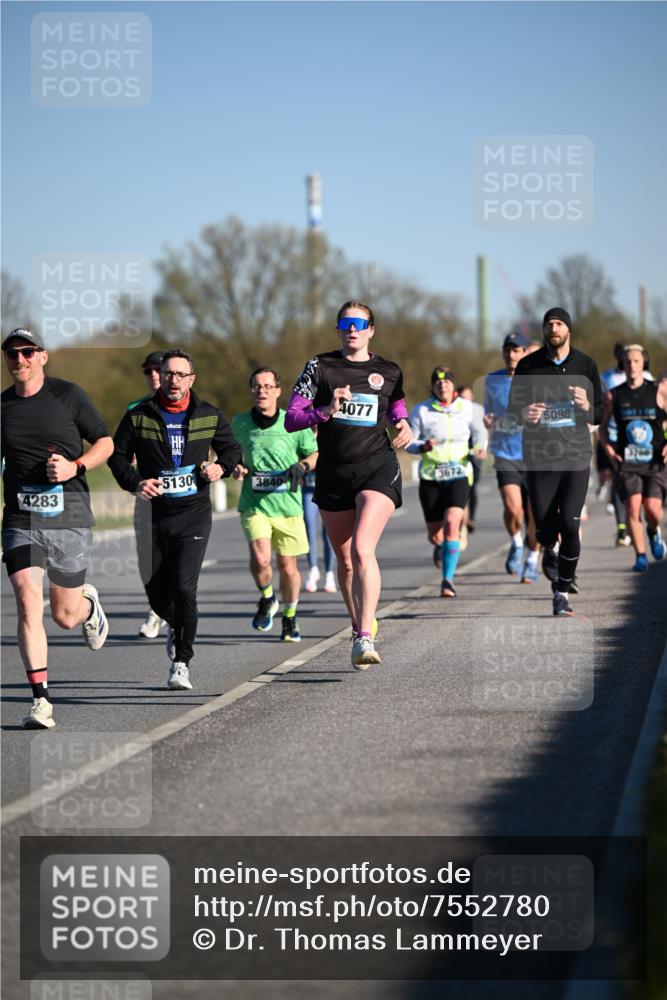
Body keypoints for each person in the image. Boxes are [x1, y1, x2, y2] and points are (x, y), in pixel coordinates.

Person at [285, 300, 412, 667]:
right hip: (333, 472)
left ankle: (364, 636)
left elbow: (396, 403)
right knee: (345, 560)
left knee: (361, 550)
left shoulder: (387, 370)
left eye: (359, 323)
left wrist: (402, 423)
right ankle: (360, 623)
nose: (352, 329)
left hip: (377, 466)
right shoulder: (320, 367)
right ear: (338, 330)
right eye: (345, 324)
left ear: (372, 329)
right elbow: (292, 418)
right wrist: (324, 411)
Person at [109, 349, 241, 691]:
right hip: (152, 514)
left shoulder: (209, 415)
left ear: (191, 379)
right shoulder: (139, 416)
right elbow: (117, 457)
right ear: (160, 377)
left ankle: (181, 661)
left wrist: (220, 468)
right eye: (168, 374)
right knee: (156, 595)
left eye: (181, 375)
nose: (173, 380)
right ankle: (175, 622)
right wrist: (136, 481)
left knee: (185, 588)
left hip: (193, 514)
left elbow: (232, 451)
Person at [1, 328, 113, 729]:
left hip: (69, 517)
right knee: (28, 599)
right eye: (12, 353)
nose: (20, 360)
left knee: (64, 616)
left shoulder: (69, 396)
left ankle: (87, 606)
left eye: (27, 352)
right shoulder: (2, 407)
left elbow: (105, 442)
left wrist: (74, 466)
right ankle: (41, 700)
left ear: (42, 356)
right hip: (20, 519)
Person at [508, 308, 603, 616]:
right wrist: (524, 414)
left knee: (570, 524)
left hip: (576, 456)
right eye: (549, 323)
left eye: (559, 323)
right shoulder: (527, 366)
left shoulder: (585, 365)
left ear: (568, 330)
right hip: (539, 458)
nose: (553, 328)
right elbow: (512, 411)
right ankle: (549, 548)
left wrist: (587, 404)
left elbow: (600, 413)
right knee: (544, 530)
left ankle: (562, 591)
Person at [231, 368, 318, 642]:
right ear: (251, 391)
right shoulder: (239, 423)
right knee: (260, 557)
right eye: (257, 386)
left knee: (288, 567)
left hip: (288, 505)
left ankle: (290, 616)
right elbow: (230, 455)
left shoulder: (295, 423)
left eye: (268, 386)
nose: (262, 391)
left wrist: (302, 465)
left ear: (278, 391)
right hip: (254, 503)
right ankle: (267, 597)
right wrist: (235, 467)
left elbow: (316, 453)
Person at [407, 368, 485, 598]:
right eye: (438, 383)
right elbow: (409, 441)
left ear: (453, 385)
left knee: (453, 522)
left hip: (459, 473)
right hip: (431, 476)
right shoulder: (421, 410)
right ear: (433, 387)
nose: (443, 386)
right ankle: (440, 548)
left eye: (447, 382)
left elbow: (480, 432)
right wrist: (422, 446)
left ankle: (447, 580)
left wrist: (480, 447)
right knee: (435, 535)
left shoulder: (468, 408)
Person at [598, 345, 667, 571]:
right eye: (628, 362)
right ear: (622, 365)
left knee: (653, 511)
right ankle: (640, 555)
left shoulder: (659, 390)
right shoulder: (613, 395)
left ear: (643, 363)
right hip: (627, 462)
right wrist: (610, 451)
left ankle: (653, 531)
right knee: (633, 507)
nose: (632, 366)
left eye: (636, 361)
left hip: (655, 461)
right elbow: (602, 429)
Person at [483, 332, 540, 583]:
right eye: (508, 350)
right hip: (505, 453)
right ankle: (516, 543)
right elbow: (489, 412)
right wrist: (488, 420)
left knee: (535, 514)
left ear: (525, 353)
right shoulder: (493, 380)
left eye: (517, 350)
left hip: (534, 453)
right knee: (513, 508)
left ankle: (532, 560)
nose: (512, 355)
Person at [127, 351, 170, 639]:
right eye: (149, 371)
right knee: (147, 560)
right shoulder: (135, 409)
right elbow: (123, 452)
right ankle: (157, 608)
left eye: (158, 370)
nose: (153, 375)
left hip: (181, 500)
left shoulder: (188, 406)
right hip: (147, 497)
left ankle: (165, 611)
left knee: (175, 558)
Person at [456, 385, 488, 543]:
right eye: (462, 397)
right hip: (456, 453)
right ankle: (462, 520)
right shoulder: (453, 409)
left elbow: (482, 431)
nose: (465, 401)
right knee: (462, 486)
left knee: (472, 486)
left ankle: (470, 519)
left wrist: (481, 448)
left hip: (473, 452)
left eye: (468, 397)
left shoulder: (477, 409)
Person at [303, 464, 337, 593]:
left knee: (328, 534)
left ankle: (329, 573)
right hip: (309, 487)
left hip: (330, 488)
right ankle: (313, 569)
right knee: (309, 529)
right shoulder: (306, 442)